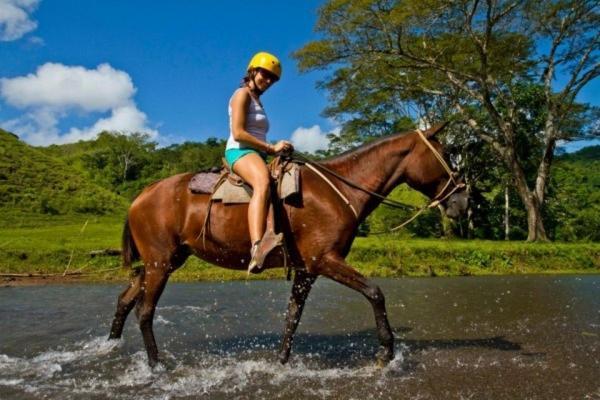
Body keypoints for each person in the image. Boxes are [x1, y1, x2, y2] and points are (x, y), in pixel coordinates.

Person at [225, 51, 293, 273]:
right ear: (252, 71)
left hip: (258, 153)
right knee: (262, 182)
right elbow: (238, 133)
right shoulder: (241, 95)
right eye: (265, 74)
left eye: (273, 78)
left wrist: (276, 150)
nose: (269, 81)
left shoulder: (258, 102)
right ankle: (257, 247)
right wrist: (271, 148)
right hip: (240, 151)